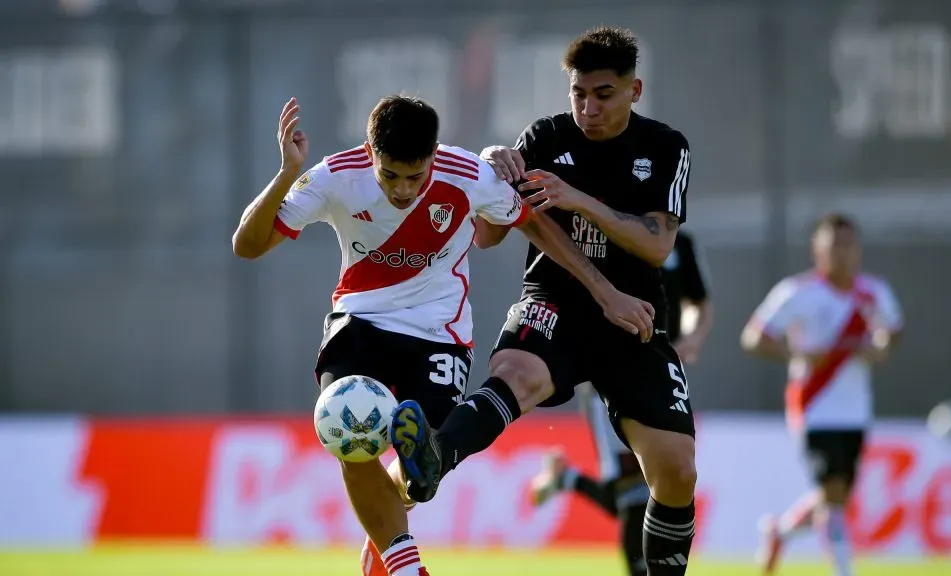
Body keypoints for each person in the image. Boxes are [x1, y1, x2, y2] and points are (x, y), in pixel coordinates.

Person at [231, 95, 654, 576]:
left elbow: (534, 224)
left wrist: (605, 291)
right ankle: (405, 565)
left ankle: (383, 544)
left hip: (440, 335)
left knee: (424, 471)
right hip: (360, 324)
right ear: (370, 152)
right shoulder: (334, 176)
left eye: (416, 176)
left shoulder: (467, 174)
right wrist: (287, 173)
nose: (404, 190)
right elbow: (247, 245)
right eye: (390, 175)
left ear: (434, 154)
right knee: (348, 431)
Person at [388, 27, 699, 575]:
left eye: (603, 94)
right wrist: (491, 171)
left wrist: (577, 199)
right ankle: (436, 457)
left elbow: (658, 242)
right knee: (516, 372)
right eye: (578, 93)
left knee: (676, 472)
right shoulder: (545, 137)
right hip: (555, 299)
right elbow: (488, 235)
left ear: (635, 90)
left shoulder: (664, 147)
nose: (588, 107)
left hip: (631, 313)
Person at [526, 229, 714, 576]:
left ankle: (567, 480)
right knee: (630, 487)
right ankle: (569, 481)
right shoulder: (594, 227)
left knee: (656, 483)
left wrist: (691, 340)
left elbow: (698, 303)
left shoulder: (679, 242)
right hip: (607, 369)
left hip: (660, 374)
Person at [740, 213, 903, 576]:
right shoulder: (797, 292)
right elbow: (753, 337)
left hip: (856, 411)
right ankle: (843, 570)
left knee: (836, 496)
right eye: (834, 246)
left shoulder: (873, 292)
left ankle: (779, 532)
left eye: (849, 245)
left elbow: (891, 332)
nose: (843, 254)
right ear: (817, 250)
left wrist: (880, 347)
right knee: (832, 495)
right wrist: (795, 354)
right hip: (813, 406)